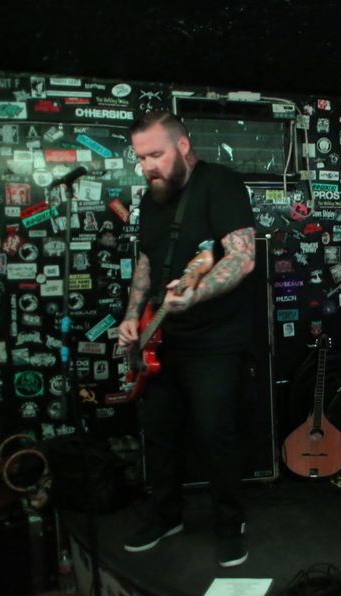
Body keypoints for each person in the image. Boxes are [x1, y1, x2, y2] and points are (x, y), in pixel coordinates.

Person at [117, 111, 257, 567]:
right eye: (140, 158)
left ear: (182, 145)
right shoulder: (152, 197)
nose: (147, 167)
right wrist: (133, 317)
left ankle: (229, 525)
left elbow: (241, 258)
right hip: (162, 337)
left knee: (216, 434)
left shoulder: (221, 184)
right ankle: (166, 515)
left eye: (155, 155)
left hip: (215, 338)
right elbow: (146, 262)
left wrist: (197, 292)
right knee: (159, 434)